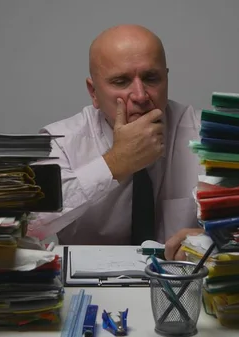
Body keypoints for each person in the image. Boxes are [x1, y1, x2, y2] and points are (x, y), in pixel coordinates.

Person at [27, 24, 204, 260]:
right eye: (121, 82)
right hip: (89, 291)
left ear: (166, 78)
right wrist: (114, 164)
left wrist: (209, 239)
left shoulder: (207, 137)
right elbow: (29, 224)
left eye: (151, 78)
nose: (140, 96)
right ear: (93, 92)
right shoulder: (60, 142)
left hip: (180, 284)